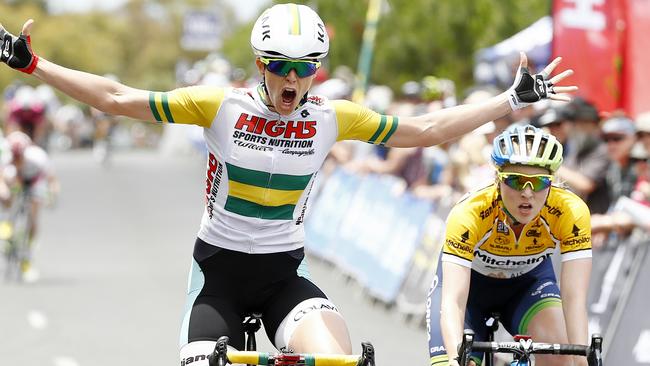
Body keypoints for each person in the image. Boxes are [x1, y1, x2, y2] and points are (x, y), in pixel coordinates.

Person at [0, 3, 576, 363]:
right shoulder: (217, 106)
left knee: (339, 359)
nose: (294, 80)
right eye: (282, 66)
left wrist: (507, 102)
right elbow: (118, 98)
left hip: (283, 278)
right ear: (260, 63)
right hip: (218, 278)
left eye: (307, 68)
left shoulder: (330, 118)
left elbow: (425, 129)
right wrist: (34, 66)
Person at [427, 125, 592, 366]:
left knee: (563, 358)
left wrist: (581, 360)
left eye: (538, 182)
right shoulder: (470, 212)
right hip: (471, 288)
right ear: (497, 179)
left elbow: (574, 297)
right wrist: (455, 360)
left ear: (552, 182)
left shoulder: (570, 211)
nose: (527, 193)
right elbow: (453, 300)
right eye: (515, 180)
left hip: (527, 286)